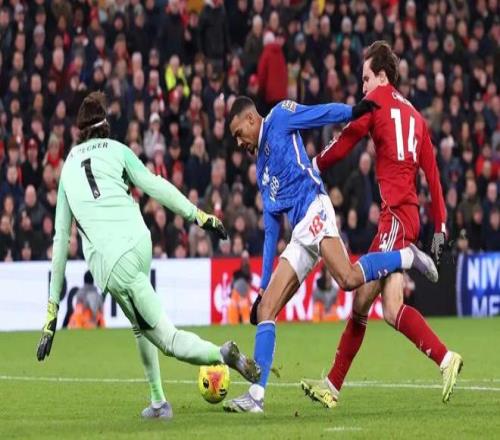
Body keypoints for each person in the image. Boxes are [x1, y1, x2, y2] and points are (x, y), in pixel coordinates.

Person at [36, 92, 260, 420]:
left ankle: (222, 354)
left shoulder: (68, 167)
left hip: (115, 262)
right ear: (105, 127)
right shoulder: (118, 150)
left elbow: (60, 241)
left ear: (79, 131)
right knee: (139, 325)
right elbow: (156, 186)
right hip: (140, 242)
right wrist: (199, 216)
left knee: (167, 339)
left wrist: (52, 312)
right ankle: (157, 401)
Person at [223, 95, 439, 413]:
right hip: (299, 233)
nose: (239, 142)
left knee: (348, 278)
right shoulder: (262, 168)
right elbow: (271, 231)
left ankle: (407, 256)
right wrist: (262, 288)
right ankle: (256, 396)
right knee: (267, 307)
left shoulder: (280, 117)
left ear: (251, 119)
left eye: (238, 133)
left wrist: (352, 112)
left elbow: (319, 114)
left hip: (315, 208)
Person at [301, 41, 463, 409]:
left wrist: (314, 165)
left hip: (396, 219)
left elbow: (345, 142)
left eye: (366, 78)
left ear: (383, 77)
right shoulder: (417, 117)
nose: (362, 87)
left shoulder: (376, 103)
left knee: (359, 292)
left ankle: (409, 257)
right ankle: (445, 359)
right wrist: (440, 229)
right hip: (409, 217)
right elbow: (434, 177)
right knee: (386, 308)